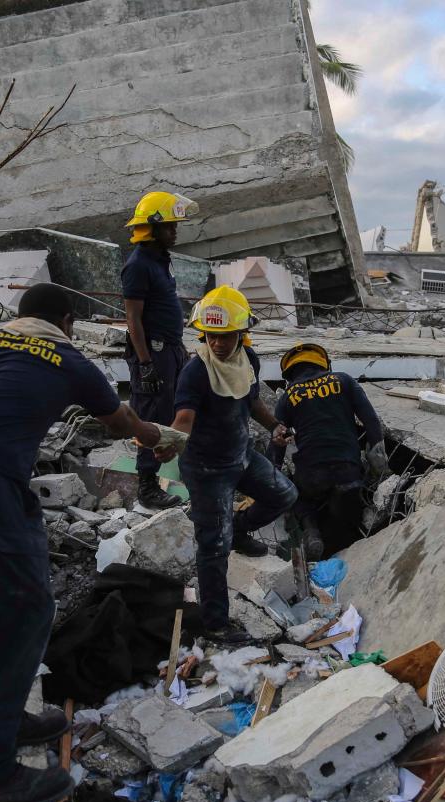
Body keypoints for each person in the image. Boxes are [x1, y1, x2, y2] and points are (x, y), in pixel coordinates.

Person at [0, 283, 182, 802]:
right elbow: (121, 422)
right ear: (68, 321)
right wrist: (159, 436)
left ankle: (2, 721)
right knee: (23, 609)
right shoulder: (68, 357)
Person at [159, 286, 298, 645]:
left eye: (226, 336)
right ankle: (216, 625)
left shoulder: (247, 360)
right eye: (212, 336)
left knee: (284, 495)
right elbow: (184, 418)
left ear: (241, 333)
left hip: (242, 455)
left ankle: (238, 530)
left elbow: (251, 401)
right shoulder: (195, 372)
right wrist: (169, 444)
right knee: (213, 547)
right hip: (207, 470)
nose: (218, 344)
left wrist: (275, 427)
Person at [272, 343, 387, 558]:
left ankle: (310, 528)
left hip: (311, 476)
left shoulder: (288, 397)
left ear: (290, 374)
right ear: (324, 365)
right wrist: (379, 464)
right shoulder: (344, 381)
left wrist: (275, 475)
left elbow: (276, 442)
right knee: (353, 499)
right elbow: (371, 423)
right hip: (348, 470)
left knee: (298, 495)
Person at [121, 191, 198, 511]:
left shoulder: (159, 261)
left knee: (175, 412)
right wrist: (146, 363)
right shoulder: (138, 265)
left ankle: (190, 475)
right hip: (153, 353)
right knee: (150, 416)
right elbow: (133, 319)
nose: (175, 231)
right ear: (152, 229)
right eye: (169, 227)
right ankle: (147, 487)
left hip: (170, 350)